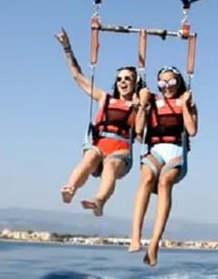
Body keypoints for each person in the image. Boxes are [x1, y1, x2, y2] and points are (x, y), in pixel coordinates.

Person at [56, 28, 140, 217]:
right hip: (99, 144)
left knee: (109, 166)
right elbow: (78, 77)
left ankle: (99, 201)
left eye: (128, 78)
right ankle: (70, 188)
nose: (123, 81)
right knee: (89, 158)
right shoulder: (104, 98)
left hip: (120, 150)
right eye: (120, 78)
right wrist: (67, 49)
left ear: (135, 83)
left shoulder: (139, 105)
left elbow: (143, 134)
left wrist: (141, 107)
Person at [129, 66, 198, 266]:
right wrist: (141, 104)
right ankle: (135, 236)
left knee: (164, 182)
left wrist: (184, 105)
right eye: (162, 83)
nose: (167, 87)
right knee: (147, 179)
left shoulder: (188, 102)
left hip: (177, 152)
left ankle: (154, 244)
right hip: (155, 150)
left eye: (171, 82)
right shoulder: (151, 101)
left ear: (179, 82)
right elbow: (140, 131)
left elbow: (192, 130)